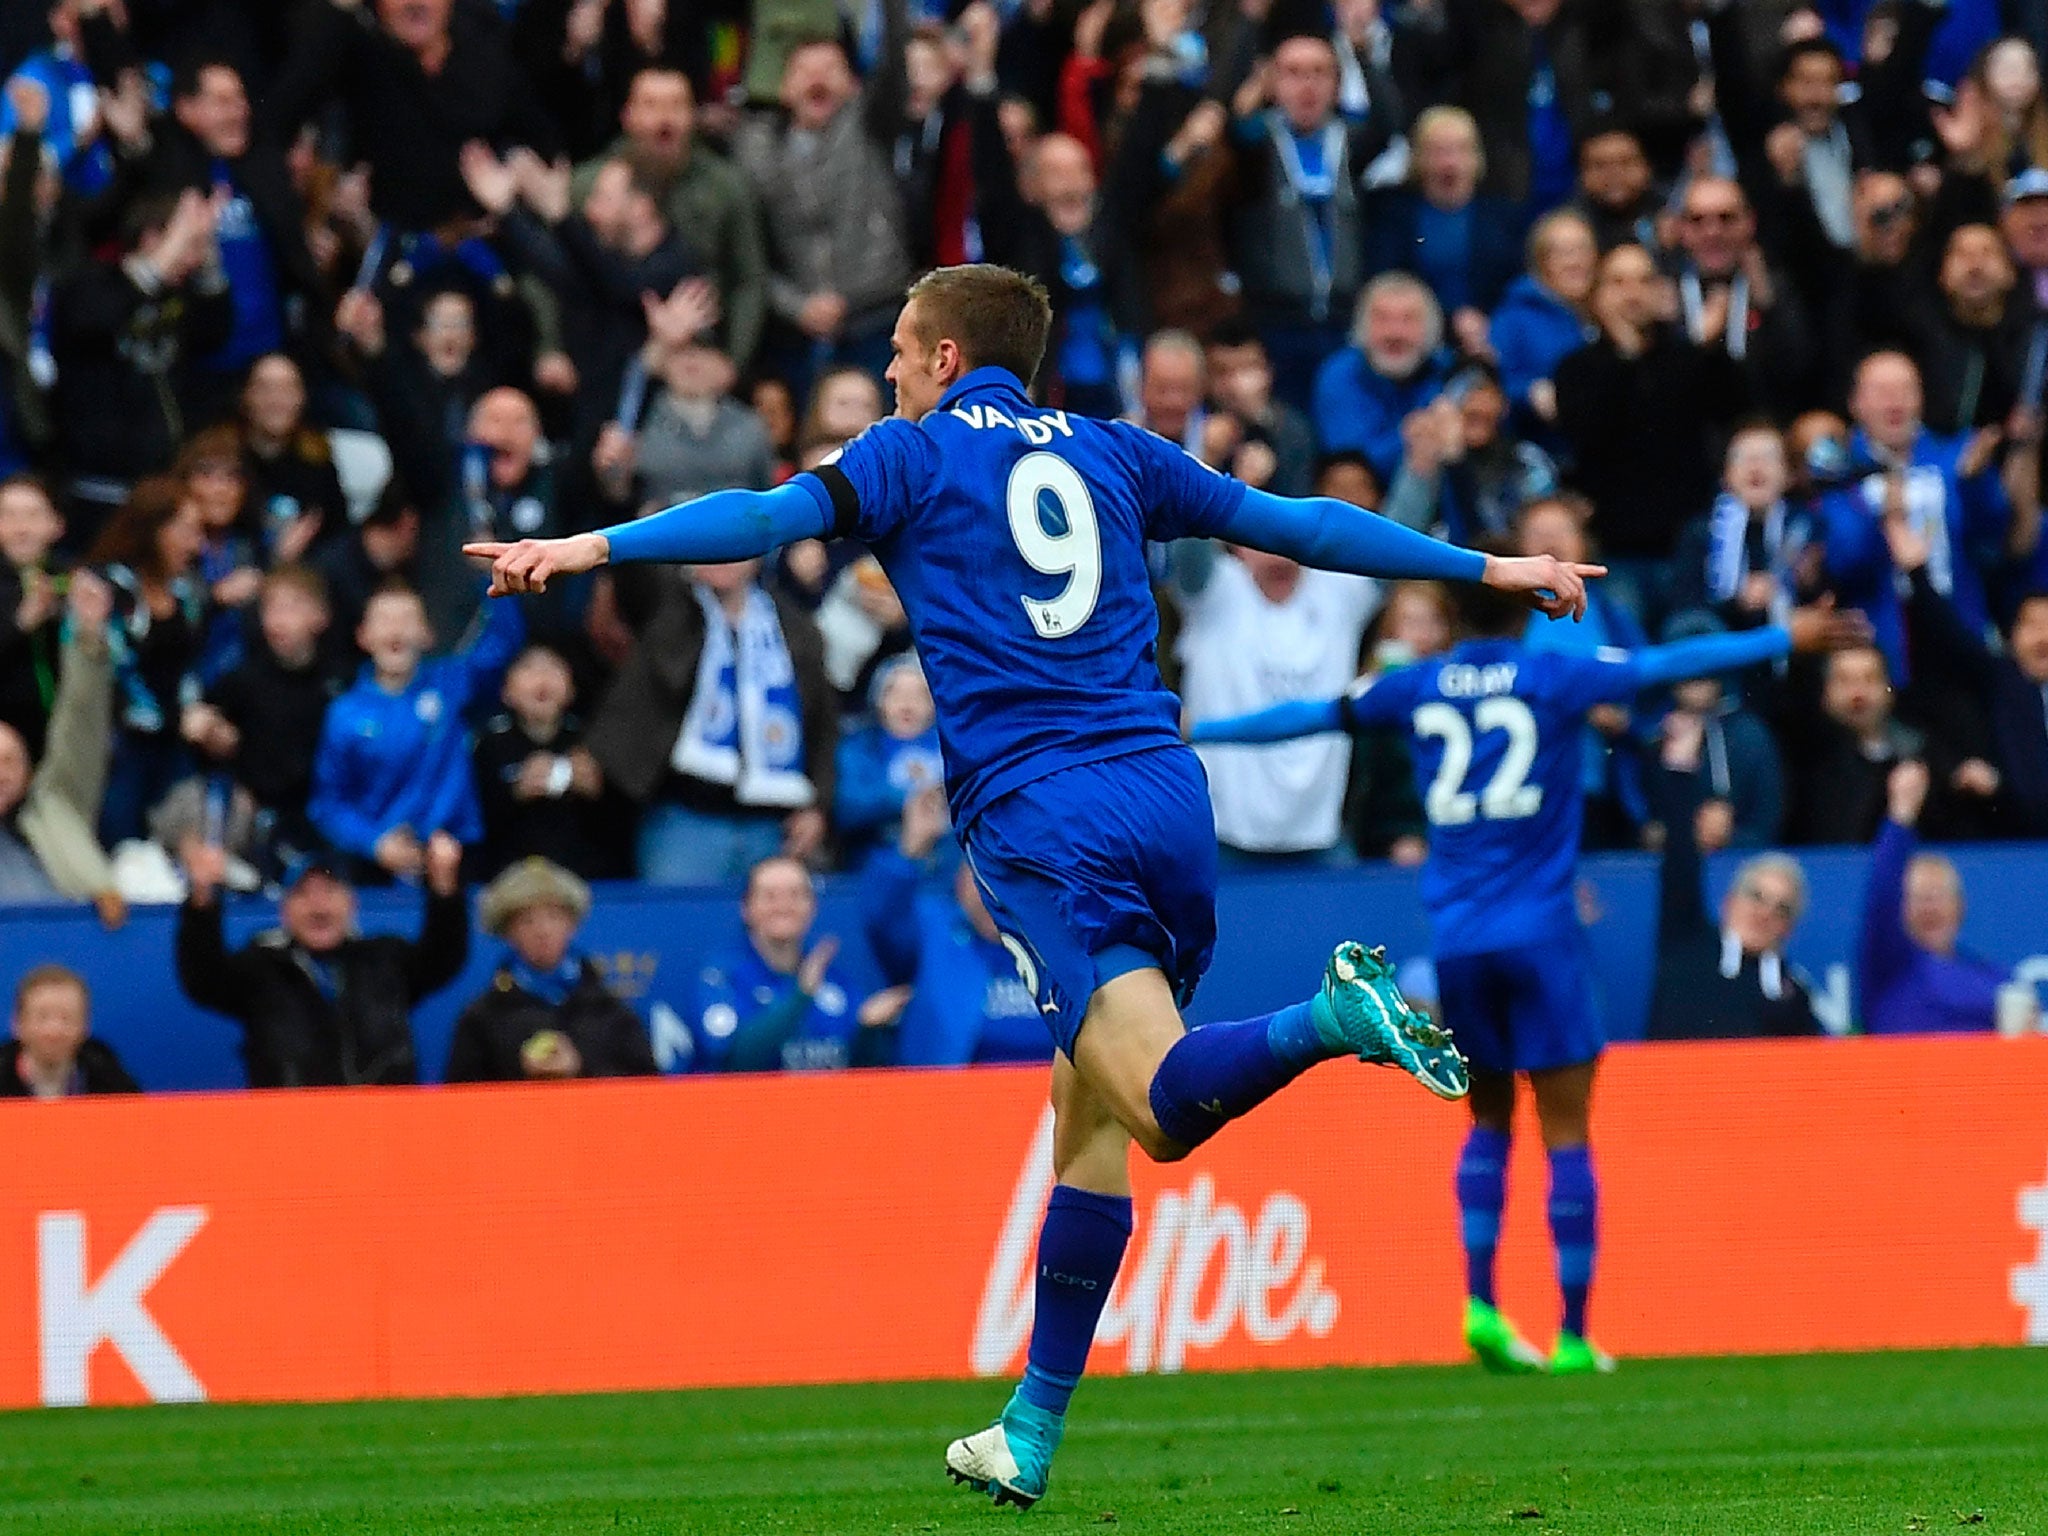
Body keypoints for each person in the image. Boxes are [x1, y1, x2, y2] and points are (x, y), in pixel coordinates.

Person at [466, 260, 1597, 1509]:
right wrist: (1488, 570)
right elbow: (1303, 527)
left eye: (900, 350)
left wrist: (587, 544)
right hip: (1167, 800)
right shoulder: (1118, 449)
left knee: (1159, 1106)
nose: (888, 373)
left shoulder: (912, 457)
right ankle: (1029, 1431)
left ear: (945, 358)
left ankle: (1328, 1020)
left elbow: (759, 517)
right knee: (1090, 1113)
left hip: (1040, 814)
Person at [1191, 550, 1801, 1378]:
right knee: (1567, 1133)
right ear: (1525, 606)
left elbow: (1308, 714)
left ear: (1449, 610)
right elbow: (1671, 663)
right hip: (1542, 936)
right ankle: (1575, 1337)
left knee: (1484, 1123)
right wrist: (1780, 635)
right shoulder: (1553, 677)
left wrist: (1201, 729)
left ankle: (1481, 1303)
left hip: (1460, 946)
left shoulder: (1416, 685)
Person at [176, 836, 469, 1088]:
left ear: (352, 903)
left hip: (386, 1128)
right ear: (284, 911)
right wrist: (202, 898)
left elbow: (443, 957)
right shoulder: (260, 969)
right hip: (291, 1132)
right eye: (303, 894)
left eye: (329, 891)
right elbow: (203, 978)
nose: (318, 906)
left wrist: (444, 886)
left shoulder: (387, 958)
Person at [308, 579, 523, 881]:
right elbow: (328, 802)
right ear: (363, 636)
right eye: (384, 620)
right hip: (376, 867)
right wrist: (374, 842)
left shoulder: (450, 683)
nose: (396, 630)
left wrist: (493, 579)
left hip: (456, 854)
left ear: (427, 635)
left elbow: (503, 644)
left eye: (407, 620)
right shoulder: (345, 713)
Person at [1644, 711, 1818, 1041]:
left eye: (1782, 908)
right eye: (1757, 896)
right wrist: (1680, 773)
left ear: (1789, 928)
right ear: (1729, 901)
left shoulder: (1792, 995)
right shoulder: (1687, 941)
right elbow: (1680, 859)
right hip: (1668, 1091)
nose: (1766, 912)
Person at [866, 786, 1052, 1067]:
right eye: (982, 872)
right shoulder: (935, 932)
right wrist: (911, 849)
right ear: (960, 884)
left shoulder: (1055, 943)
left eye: (1008, 873)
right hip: (952, 1100)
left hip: (1048, 1102)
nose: (994, 887)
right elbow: (884, 918)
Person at [444, 857, 656, 1082]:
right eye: (527, 921)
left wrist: (581, 1069)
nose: (542, 931)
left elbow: (649, 1094)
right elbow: (461, 1102)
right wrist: (521, 1076)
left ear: (572, 925)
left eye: (553, 917)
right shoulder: (482, 1018)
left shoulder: (610, 1011)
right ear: (507, 932)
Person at [687, 853, 894, 1072]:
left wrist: (868, 1028)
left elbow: (859, 1072)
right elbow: (733, 1061)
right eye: (770, 896)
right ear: (746, 908)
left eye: (795, 895)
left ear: (812, 906)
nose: (783, 905)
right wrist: (800, 997)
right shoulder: (722, 977)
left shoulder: (835, 982)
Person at [1858, 759, 2007, 1034]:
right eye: (1916, 898)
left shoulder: (1994, 979)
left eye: (1937, 896)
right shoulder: (1890, 966)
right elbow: (1881, 899)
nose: (1929, 907)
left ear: (1960, 907)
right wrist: (1901, 816)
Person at [471, 643, 609, 881]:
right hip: (508, 875)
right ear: (506, 692)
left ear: (571, 690)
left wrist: (595, 791)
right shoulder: (490, 743)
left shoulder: (588, 741)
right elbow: (474, 819)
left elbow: (615, 826)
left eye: (554, 668)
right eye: (529, 668)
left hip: (579, 875)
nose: (542, 678)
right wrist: (515, 793)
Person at [1, 965, 137, 1098]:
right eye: (42, 1017)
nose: (54, 1031)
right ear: (17, 1023)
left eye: (66, 1018)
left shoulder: (112, 1082)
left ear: (85, 1025)